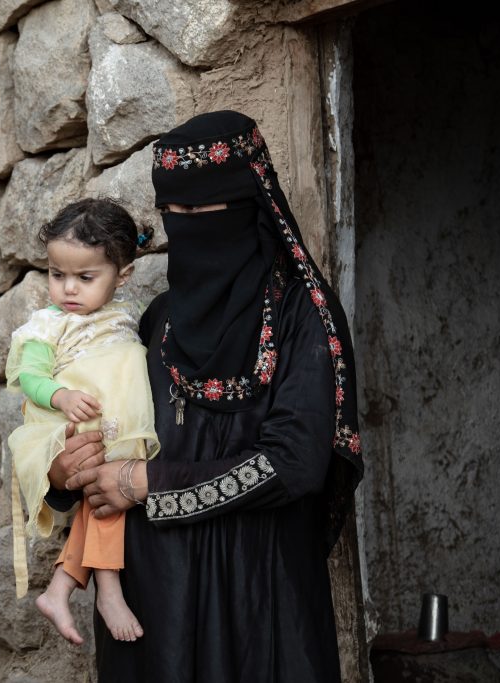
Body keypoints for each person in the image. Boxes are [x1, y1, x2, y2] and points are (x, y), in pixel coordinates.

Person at [47, 111, 364, 681]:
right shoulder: (157, 320)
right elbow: (103, 426)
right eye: (174, 214)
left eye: (201, 212)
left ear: (247, 209)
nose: (186, 227)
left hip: (259, 599)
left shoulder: (302, 317)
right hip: (153, 608)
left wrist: (150, 484)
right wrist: (65, 473)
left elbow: (296, 463)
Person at [5, 199, 160, 645]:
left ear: (123, 276)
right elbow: (28, 377)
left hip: (110, 422)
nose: (68, 289)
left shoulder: (125, 316)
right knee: (104, 495)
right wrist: (61, 395)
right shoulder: (46, 326)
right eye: (58, 275)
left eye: (85, 278)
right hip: (71, 423)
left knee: (102, 498)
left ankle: (62, 586)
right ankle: (107, 589)